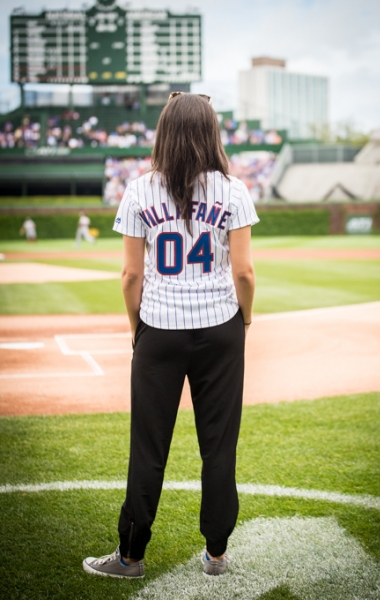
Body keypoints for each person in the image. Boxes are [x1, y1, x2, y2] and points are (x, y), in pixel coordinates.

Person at [82, 92, 258, 579]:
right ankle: (217, 554)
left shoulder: (139, 191)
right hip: (221, 329)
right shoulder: (234, 190)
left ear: (164, 132)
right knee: (219, 446)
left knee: (149, 447)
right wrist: (243, 321)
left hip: (159, 328)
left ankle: (130, 557)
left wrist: (137, 328)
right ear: (211, 133)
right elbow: (243, 273)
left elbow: (129, 277)